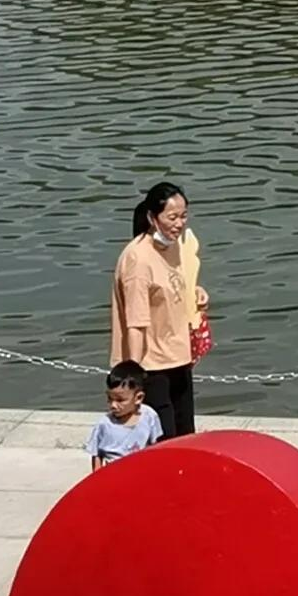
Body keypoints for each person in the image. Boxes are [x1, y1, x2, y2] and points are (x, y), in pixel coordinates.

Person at [110, 180, 207, 438]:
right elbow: (135, 322)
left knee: (186, 434)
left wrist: (194, 294)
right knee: (162, 441)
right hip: (151, 367)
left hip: (178, 357)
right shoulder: (138, 260)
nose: (180, 223)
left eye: (184, 216)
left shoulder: (173, 246)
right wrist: (133, 377)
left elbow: (174, 285)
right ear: (153, 217)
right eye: (172, 217)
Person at [87, 361, 163, 470]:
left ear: (138, 398)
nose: (113, 405)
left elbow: (155, 447)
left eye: (120, 400)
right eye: (110, 399)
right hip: (113, 474)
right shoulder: (104, 424)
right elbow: (96, 455)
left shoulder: (149, 416)